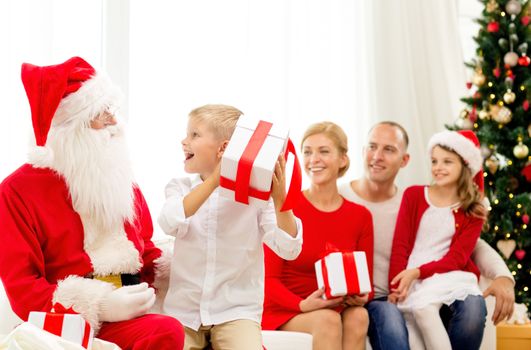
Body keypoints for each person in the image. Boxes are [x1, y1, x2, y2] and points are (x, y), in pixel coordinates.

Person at [0, 57, 185, 349]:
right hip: (69, 324)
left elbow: (146, 250)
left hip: (136, 312)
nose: (115, 122)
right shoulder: (16, 191)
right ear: (71, 128)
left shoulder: (120, 180)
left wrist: (187, 270)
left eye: (113, 110)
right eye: (102, 113)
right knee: (166, 332)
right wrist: (101, 304)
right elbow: (23, 289)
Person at [339, 121, 515, 350]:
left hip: (428, 285)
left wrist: (504, 276)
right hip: (380, 299)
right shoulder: (339, 198)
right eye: (372, 146)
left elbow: (473, 247)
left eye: (389, 149)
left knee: (472, 308)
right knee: (392, 325)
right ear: (362, 151)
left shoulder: (409, 199)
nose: (377, 156)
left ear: (405, 160)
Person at [158, 104, 303, 350]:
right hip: (184, 313)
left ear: (223, 148)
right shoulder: (179, 187)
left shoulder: (257, 197)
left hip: (236, 312)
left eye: (194, 134)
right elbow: (169, 222)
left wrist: (280, 199)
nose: (184, 141)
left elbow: (289, 249)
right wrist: (216, 180)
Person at [262, 121, 373, 350]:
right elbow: (269, 280)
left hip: (336, 304)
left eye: (324, 151)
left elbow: (366, 281)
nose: (314, 159)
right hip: (290, 308)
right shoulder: (287, 207)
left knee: (359, 315)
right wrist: (303, 305)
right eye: (308, 152)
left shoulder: (360, 216)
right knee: (327, 319)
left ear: (343, 159)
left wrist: (361, 296)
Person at [387, 130, 488, 350]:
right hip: (412, 277)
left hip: (447, 274)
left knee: (423, 308)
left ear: (465, 166)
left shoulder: (474, 210)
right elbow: (400, 246)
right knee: (414, 339)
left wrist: (418, 272)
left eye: (447, 162)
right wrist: (395, 286)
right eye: (434, 161)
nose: (438, 167)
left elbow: (457, 258)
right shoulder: (413, 196)